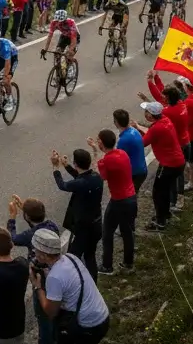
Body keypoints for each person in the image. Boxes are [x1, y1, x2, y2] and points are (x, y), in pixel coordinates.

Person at [30, 229, 111, 344]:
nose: (34, 254)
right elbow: (66, 282)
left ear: (43, 254)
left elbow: (50, 312)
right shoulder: (70, 258)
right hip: (102, 317)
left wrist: (37, 286)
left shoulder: (55, 277)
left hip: (86, 327)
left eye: (35, 251)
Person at [7, 197, 60, 344]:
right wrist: (25, 209)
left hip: (40, 277)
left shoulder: (32, 235)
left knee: (42, 313)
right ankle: (56, 338)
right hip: (55, 271)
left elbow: (13, 239)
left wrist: (12, 217)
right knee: (55, 308)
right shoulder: (52, 226)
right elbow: (34, 220)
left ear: (28, 217)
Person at [50, 149, 103, 282]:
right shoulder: (96, 177)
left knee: (71, 258)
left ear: (75, 163)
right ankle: (93, 284)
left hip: (84, 229)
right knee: (90, 256)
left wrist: (56, 167)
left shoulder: (80, 183)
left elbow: (63, 185)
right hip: (97, 225)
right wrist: (67, 166)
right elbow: (80, 178)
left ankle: (72, 285)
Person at [90, 129, 136, 274]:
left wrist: (95, 152)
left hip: (118, 201)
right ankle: (128, 263)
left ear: (101, 143)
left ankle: (107, 265)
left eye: (98, 140)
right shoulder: (122, 153)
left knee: (107, 232)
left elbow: (98, 176)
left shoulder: (106, 161)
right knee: (127, 231)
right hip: (131, 197)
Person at [134, 102, 185, 232]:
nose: (145, 114)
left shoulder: (157, 128)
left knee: (158, 193)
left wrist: (135, 130)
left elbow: (143, 142)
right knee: (164, 190)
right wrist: (139, 128)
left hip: (168, 164)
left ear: (151, 115)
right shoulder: (165, 120)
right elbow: (149, 134)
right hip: (177, 161)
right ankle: (165, 214)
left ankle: (160, 222)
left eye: (146, 112)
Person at [112, 109, 148, 194]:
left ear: (116, 123)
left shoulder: (124, 140)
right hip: (141, 170)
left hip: (134, 174)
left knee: (129, 196)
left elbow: (117, 159)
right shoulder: (134, 131)